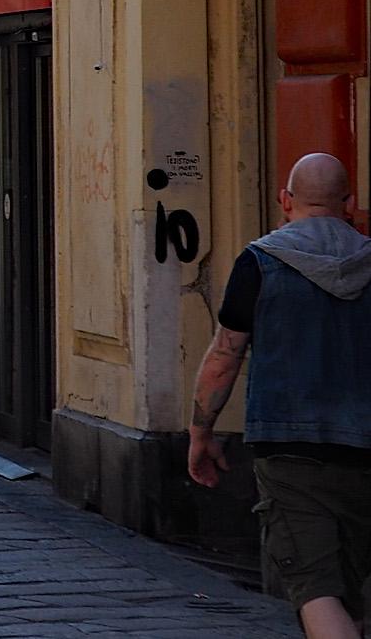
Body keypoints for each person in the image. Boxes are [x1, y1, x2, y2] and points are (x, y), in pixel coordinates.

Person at [189, 154, 371, 639]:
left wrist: (201, 431)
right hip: (364, 446)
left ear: (284, 200)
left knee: (315, 588)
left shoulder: (260, 260)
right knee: (350, 586)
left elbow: (225, 355)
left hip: (289, 448)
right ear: (349, 203)